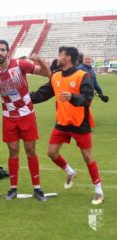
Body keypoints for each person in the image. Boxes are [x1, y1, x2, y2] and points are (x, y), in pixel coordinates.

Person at [30, 46, 104, 205]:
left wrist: (72, 97)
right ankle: (70, 172)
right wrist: (24, 97)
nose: (58, 58)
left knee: (87, 156)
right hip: (62, 123)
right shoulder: (55, 76)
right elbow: (43, 94)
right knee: (51, 153)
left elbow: (87, 98)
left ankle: (99, 191)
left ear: (68, 58)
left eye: (60, 55)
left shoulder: (82, 75)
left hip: (80, 123)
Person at [0, 40, 51, 201]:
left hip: (27, 114)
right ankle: (13, 188)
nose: (0, 53)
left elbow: (47, 74)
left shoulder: (20, 64)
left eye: (2, 50)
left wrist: (41, 61)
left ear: (8, 51)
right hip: (8, 117)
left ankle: (37, 188)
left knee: (30, 150)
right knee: (13, 151)